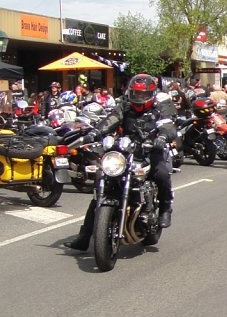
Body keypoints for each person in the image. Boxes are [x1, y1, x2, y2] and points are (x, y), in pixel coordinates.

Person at [66, 74, 176, 251]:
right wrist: (95, 133)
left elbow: (168, 125)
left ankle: (165, 209)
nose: (138, 97)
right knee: (103, 184)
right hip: (125, 149)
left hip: (150, 149)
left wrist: (162, 136)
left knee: (161, 174)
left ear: (151, 93)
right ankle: (84, 236)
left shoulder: (160, 106)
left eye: (142, 94)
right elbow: (111, 119)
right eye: (135, 93)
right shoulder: (125, 105)